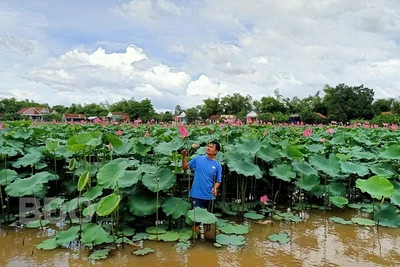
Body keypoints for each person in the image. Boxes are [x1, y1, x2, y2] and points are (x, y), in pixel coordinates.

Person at [181, 141, 222, 236]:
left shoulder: (217, 165)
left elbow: (218, 181)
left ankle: (207, 239)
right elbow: (185, 167)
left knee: (208, 222)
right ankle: (198, 240)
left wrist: (215, 188)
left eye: (211, 147)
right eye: (208, 146)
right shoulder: (198, 159)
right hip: (196, 195)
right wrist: (183, 157)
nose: (208, 148)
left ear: (216, 151)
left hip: (209, 196)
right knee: (196, 222)